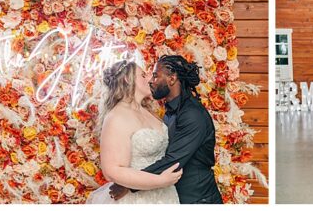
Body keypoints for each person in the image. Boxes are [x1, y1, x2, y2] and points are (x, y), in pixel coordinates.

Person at [111, 55, 224, 203]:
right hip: (175, 195)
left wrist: (128, 184)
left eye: (155, 76)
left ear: (172, 79)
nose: (151, 81)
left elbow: (173, 160)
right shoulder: (171, 110)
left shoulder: (192, 114)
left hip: (198, 198)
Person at [87, 60, 182, 204]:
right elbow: (112, 170)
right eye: (143, 75)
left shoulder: (147, 111)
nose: (150, 78)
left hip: (165, 195)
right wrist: (159, 180)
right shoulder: (117, 116)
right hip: (138, 200)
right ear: (127, 79)